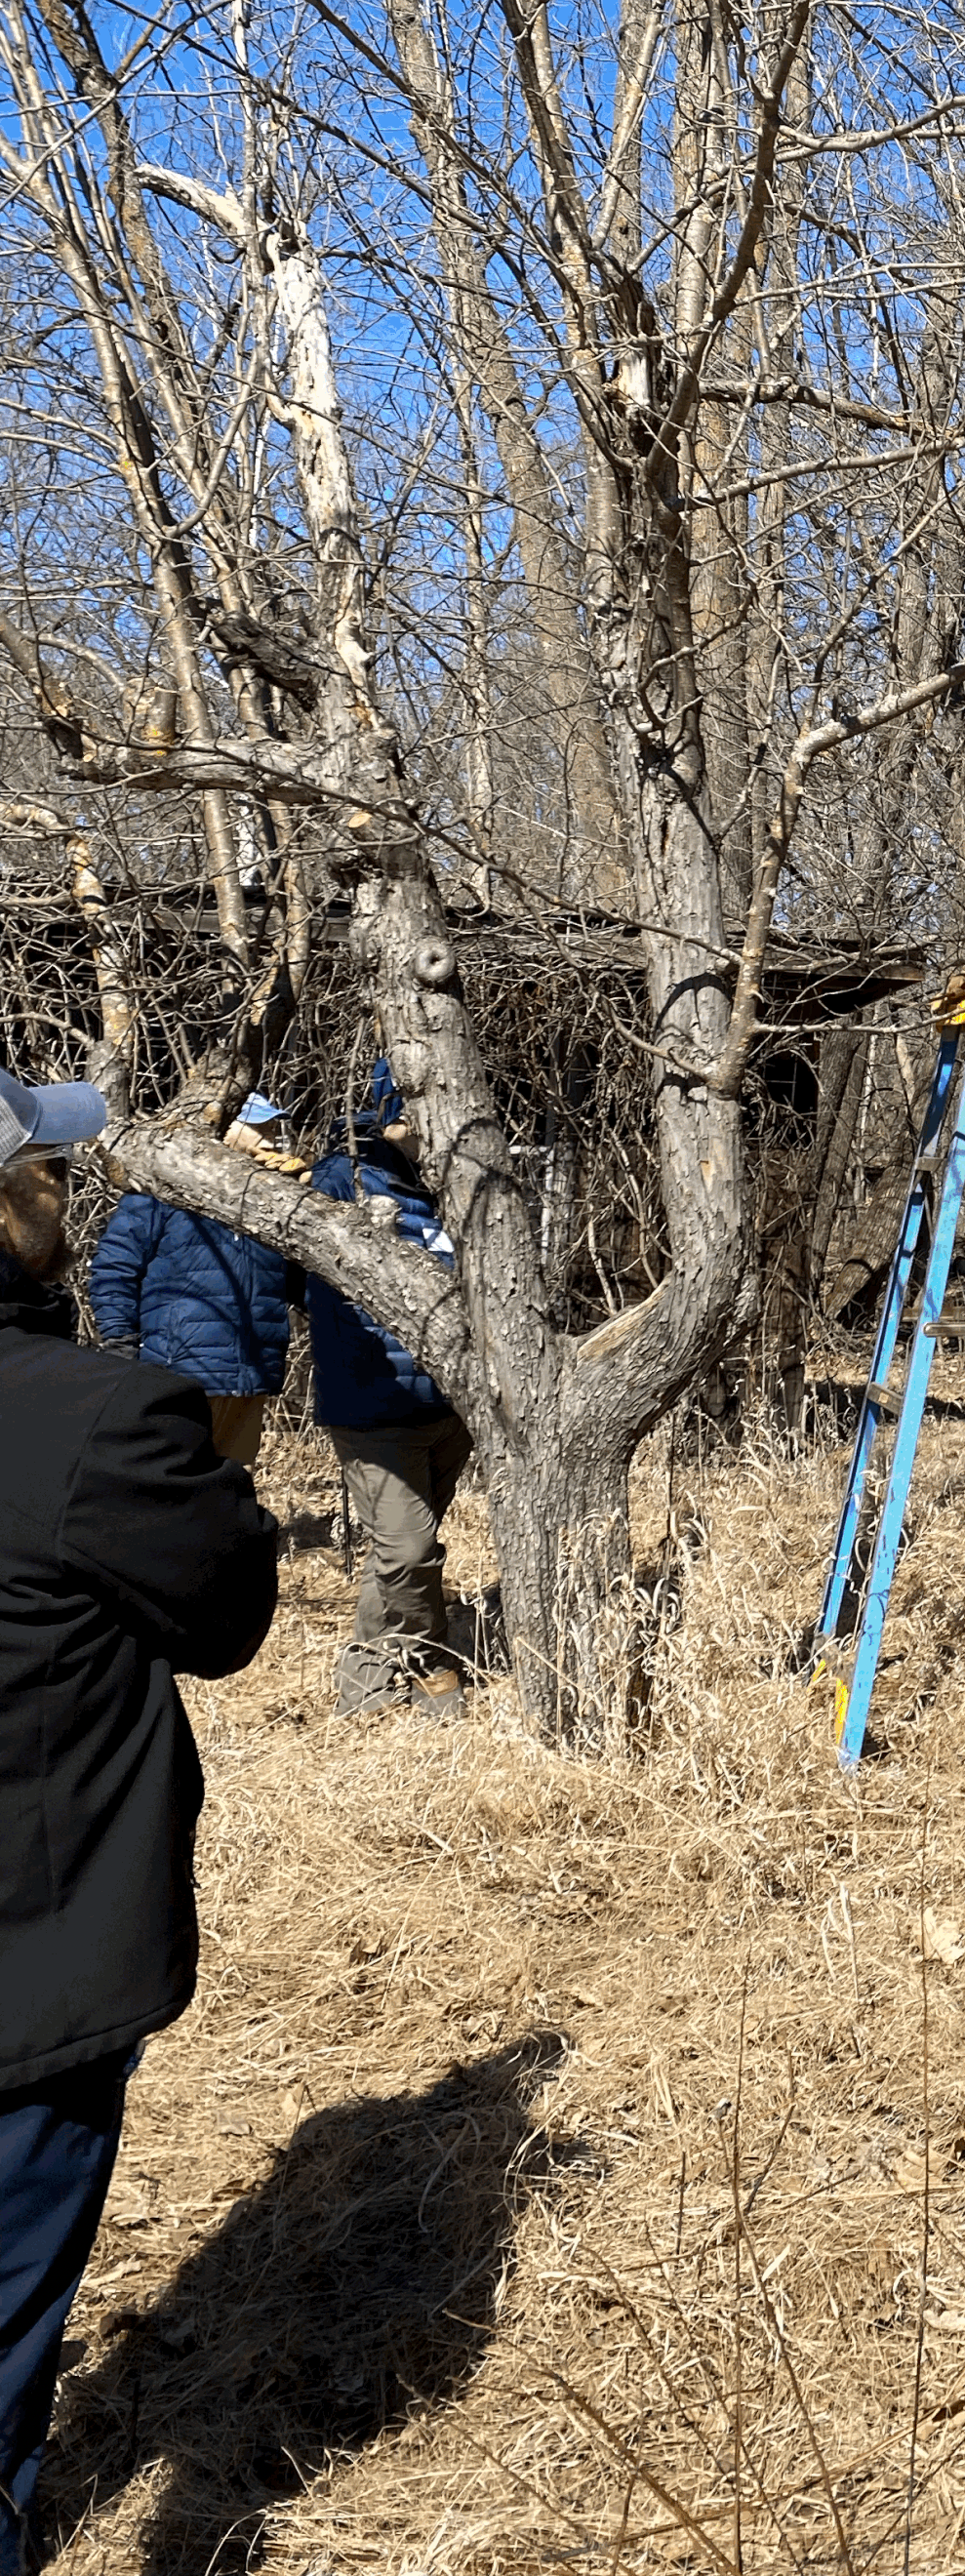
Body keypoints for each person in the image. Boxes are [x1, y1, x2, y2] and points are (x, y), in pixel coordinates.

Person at [0, 1070, 278, 2573]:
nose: (63, 1184)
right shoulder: (90, 1425)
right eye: (40, 1167)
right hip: (26, 1992)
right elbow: (225, 1610)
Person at [306, 1063, 469, 1722]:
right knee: (409, 1549)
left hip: (448, 1404)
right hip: (372, 1404)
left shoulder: (456, 1184)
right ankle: (433, 1668)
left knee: (399, 1552)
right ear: (387, 1109)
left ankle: (365, 1690)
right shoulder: (342, 1177)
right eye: (412, 1106)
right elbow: (306, 1276)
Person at [89, 1095, 302, 1467]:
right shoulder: (164, 1187)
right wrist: (119, 1342)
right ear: (225, 1125)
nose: (271, 1139)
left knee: (231, 1485)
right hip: (179, 1373)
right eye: (259, 1128)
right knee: (173, 1484)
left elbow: (299, 1283)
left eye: (272, 1128)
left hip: (250, 1374)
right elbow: (114, 1267)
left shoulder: (275, 1198)